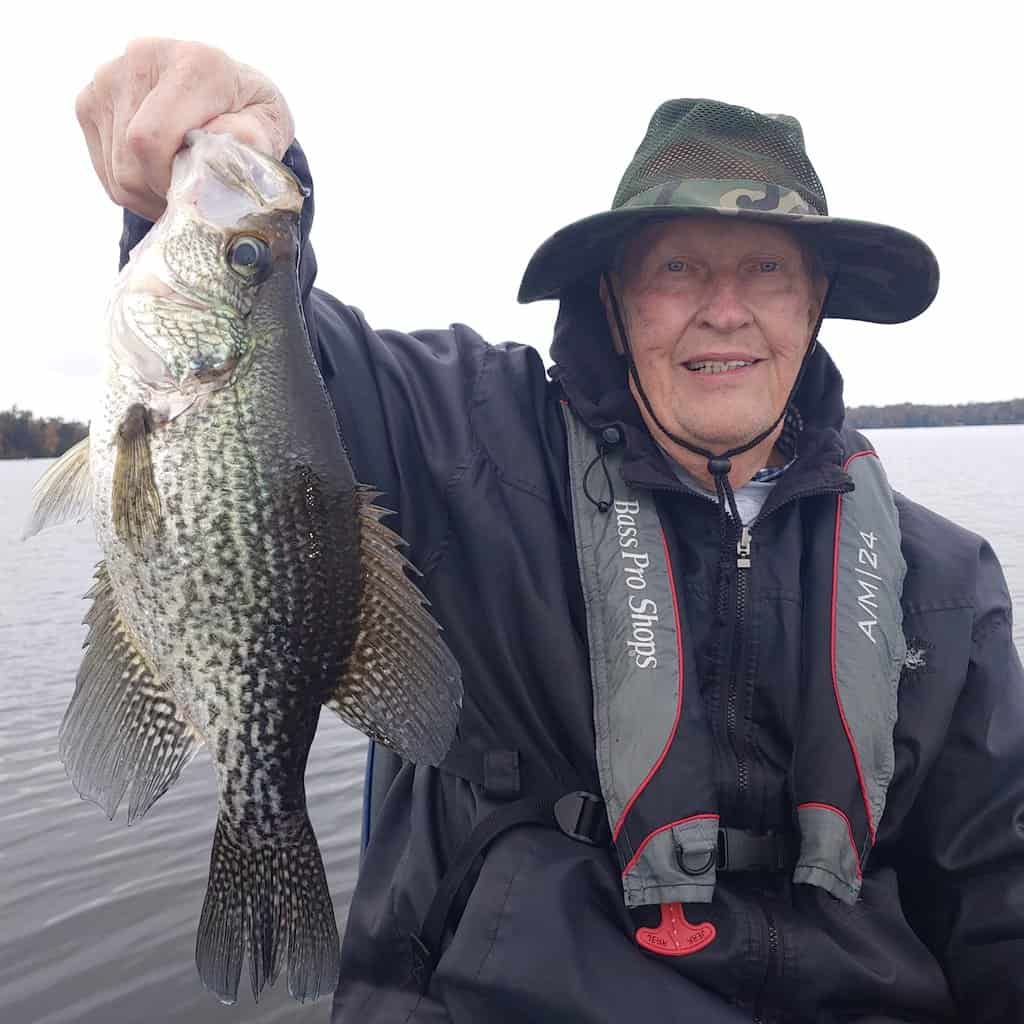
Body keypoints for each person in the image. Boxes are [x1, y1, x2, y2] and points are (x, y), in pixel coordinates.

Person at [78, 39, 1024, 1024]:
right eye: (677, 270)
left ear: (815, 303)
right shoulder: (471, 449)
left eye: (767, 271)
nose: (725, 311)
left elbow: (997, 876)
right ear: (612, 301)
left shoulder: (943, 580)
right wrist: (250, 164)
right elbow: (278, 368)